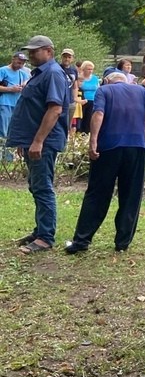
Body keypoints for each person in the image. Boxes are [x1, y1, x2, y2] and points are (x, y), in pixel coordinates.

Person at [64, 71, 145, 255]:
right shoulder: (142, 91)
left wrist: (93, 141)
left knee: (97, 193)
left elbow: (98, 113)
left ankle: (82, 240)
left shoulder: (104, 90)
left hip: (108, 148)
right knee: (131, 195)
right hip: (136, 148)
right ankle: (122, 242)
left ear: (107, 80)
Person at [5, 35, 71, 253]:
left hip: (44, 142)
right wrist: (26, 141)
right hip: (33, 141)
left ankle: (45, 237)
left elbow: (55, 109)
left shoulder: (52, 74)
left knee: (43, 187)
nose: (31, 54)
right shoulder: (39, 74)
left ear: (49, 51)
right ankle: (40, 229)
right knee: (36, 186)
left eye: (35, 51)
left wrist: (38, 141)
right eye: (30, 51)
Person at [0, 52, 31, 161]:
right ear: (13, 59)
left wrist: (24, 84)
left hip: (17, 104)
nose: (20, 65)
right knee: (4, 131)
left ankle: (9, 158)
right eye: (18, 62)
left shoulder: (22, 73)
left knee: (14, 131)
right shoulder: (3, 71)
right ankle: (5, 157)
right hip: (5, 103)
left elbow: (29, 81)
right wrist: (10, 89)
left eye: (22, 63)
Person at [77, 60, 100, 134]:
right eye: (88, 69)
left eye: (91, 69)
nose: (90, 71)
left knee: (89, 119)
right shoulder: (80, 78)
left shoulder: (95, 78)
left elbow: (98, 89)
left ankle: (87, 133)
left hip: (93, 100)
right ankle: (79, 133)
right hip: (82, 101)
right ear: (83, 69)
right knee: (81, 119)